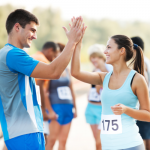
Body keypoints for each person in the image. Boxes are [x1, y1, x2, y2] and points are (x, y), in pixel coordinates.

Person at [0, 9, 85, 150]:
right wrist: (72, 42)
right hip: (25, 132)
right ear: (17, 27)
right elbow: (54, 71)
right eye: (32, 30)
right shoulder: (13, 55)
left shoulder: (5, 54)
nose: (35, 36)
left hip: (20, 131)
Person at [71, 26, 150, 149]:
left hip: (131, 145)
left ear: (121, 50)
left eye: (109, 47)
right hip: (108, 145)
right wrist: (77, 43)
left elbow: (147, 114)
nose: (105, 52)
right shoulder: (104, 78)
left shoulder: (137, 79)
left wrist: (126, 110)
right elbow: (75, 72)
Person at [45, 43, 77, 150]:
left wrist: (75, 108)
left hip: (68, 108)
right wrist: (50, 110)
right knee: (52, 140)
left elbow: (71, 90)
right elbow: (45, 92)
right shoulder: (50, 68)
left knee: (63, 141)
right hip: (55, 107)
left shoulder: (67, 70)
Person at [85, 44, 112, 150]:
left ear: (102, 57)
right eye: (91, 58)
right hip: (90, 108)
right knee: (97, 143)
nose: (93, 60)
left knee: (100, 142)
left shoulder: (109, 70)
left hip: (103, 109)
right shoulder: (94, 70)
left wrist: (100, 84)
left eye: (95, 57)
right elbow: (93, 89)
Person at [32, 41, 60, 143]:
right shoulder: (44, 62)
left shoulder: (32, 56)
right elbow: (40, 86)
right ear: (50, 50)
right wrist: (43, 110)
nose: (54, 58)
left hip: (24, 104)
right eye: (55, 55)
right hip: (35, 106)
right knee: (43, 140)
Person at [131, 36, 150, 150]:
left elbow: (144, 85)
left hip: (143, 104)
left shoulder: (141, 63)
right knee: (147, 135)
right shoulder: (146, 60)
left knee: (143, 137)